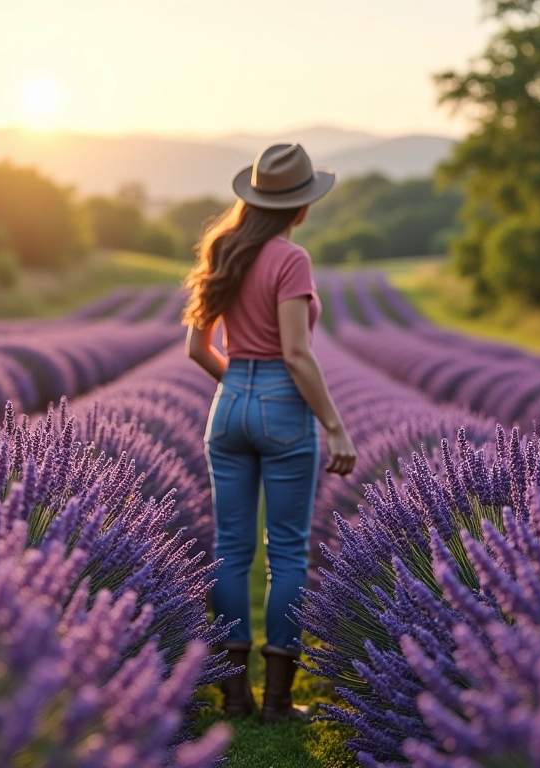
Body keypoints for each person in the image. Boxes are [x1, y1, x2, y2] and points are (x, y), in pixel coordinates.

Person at [182, 143, 357, 724]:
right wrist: (334, 426)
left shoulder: (223, 249)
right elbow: (297, 353)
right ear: (300, 207)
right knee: (284, 555)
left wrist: (240, 387)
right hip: (284, 406)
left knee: (231, 551)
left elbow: (195, 347)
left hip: (227, 407)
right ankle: (278, 702)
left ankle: (233, 695)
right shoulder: (291, 260)